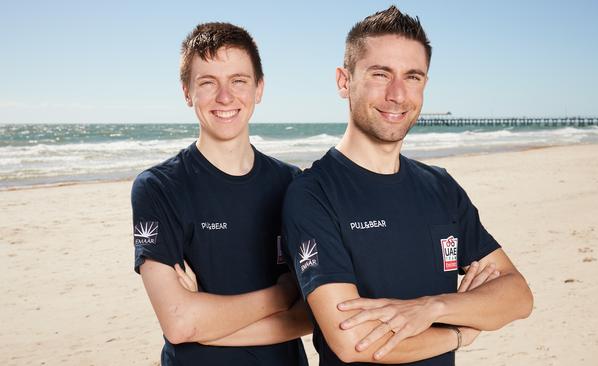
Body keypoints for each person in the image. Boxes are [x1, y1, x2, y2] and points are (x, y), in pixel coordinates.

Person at [281, 6, 533, 365]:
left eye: (413, 77)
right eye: (381, 74)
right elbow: (353, 343)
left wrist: (433, 307)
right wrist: (461, 331)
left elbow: (519, 296)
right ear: (344, 81)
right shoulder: (312, 194)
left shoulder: (441, 186)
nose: (398, 94)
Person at [131, 22, 310, 365]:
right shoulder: (158, 188)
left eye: (238, 81)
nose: (225, 97)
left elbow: (310, 317)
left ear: (259, 88)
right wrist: (283, 293)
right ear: (187, 92)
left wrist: (207, 320)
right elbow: (180, 322)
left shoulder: (294, 184)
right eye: (208, 82)